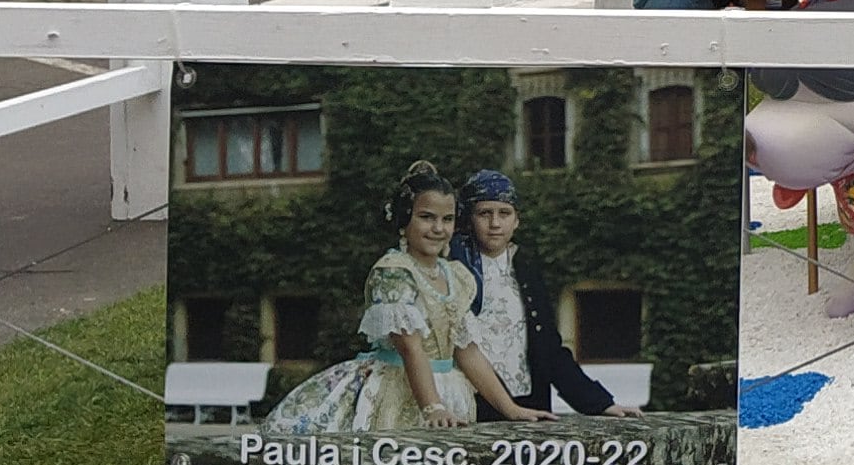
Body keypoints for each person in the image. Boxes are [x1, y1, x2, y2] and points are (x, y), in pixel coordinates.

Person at [264, 163, 549, 434]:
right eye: (427, 218)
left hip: (450, 391)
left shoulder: (457, 275)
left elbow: (467, 351)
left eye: (447, 219)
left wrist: (510, 408)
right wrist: (432, 407)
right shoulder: (394, 272)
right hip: (400, 390)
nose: (438, 228)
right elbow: (412, 349)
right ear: (404, 220)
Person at [452, 170, 637, 419]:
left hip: (530, 406)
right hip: (470, 406)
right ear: (469, 219)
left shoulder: (526, 272)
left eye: (504, 213)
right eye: (485, 213)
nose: (495, 223)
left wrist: (600, 403)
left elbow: (549, 349)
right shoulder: (453, 271)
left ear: (516, 220)